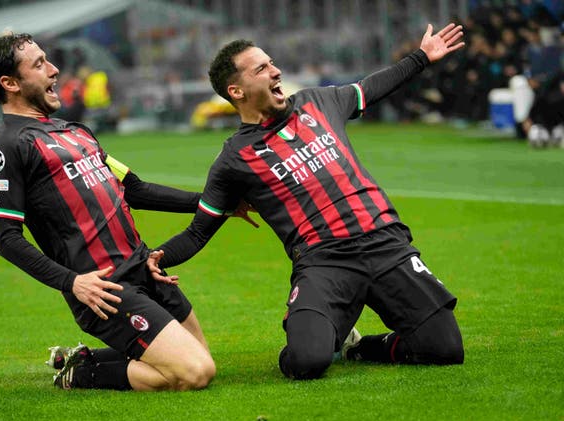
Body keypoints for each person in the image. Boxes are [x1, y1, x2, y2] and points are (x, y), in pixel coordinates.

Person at [148, 23, 466, 380]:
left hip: (385, 244)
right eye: (261, 69)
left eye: (271, 63)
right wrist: (158, 256)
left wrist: (421, 58)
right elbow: (198, 232)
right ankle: (316, 329)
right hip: (325, 262)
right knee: (306, 362)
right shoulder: (234, 159)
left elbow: (371, 87)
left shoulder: (319, 102)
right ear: (236, 90)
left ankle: (359, 347)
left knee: (444, 348)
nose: (276, 71)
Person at [0, 33, 230, 392]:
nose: (54, 70)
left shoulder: (77, 132)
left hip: (146, 268)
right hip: (105, 289)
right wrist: (73, 283)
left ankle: (81, 359)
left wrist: (215, 203)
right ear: (10, 83)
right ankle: (81, 375)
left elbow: (135, 190)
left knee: (198, 358)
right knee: (195, 373)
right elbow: (6, 240)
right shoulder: (6, 148)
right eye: (38, 65)